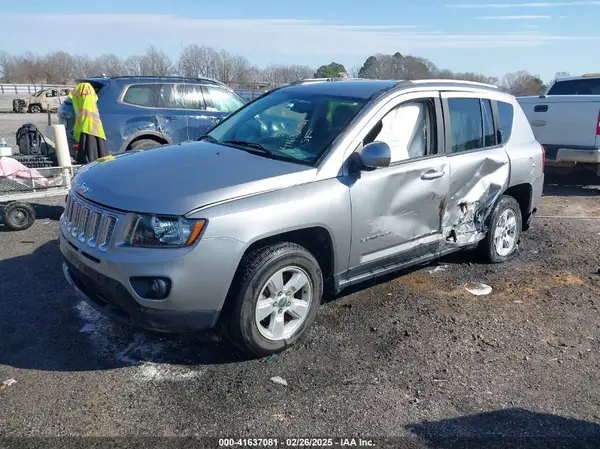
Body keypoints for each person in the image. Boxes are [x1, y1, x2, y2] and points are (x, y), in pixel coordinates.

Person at [68, 82, 108, 164]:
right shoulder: (87, 93)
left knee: (89, 159)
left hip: (87, 131)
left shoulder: (81, 94)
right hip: (93, 131)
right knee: (96, 158)